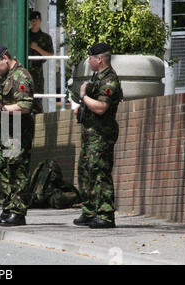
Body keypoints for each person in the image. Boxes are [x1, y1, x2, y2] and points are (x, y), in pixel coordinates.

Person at [71, 43, 123, 229]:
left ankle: (106, 214)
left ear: (99, 59)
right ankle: (90, 210)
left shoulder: (110, 80)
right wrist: (82, 107)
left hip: (102, 135)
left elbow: (101, 108)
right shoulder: (97, 78)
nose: (89, 61)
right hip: (91, 134)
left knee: (100, 172)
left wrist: (84, 96)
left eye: (91, 58)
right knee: (85, 171)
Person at [0, 45, 35, 227]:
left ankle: (18, 212)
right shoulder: (2, 76)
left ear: (5, 58)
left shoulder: (21, 76)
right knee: (5, 169)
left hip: (20, 130)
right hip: (6, 129)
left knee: (17, 171)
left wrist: (3, 109)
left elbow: (26, 106)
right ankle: (7, 209)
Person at [28, 11, 54, 95]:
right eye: (32, 20)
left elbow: (50, 55)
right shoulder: (25, 35)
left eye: (36, 20)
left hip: (38, 71)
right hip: (25, 69)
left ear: (40, 20)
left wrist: (37, 48)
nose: (34, 22)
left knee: (37, 99)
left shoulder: (46, 37)